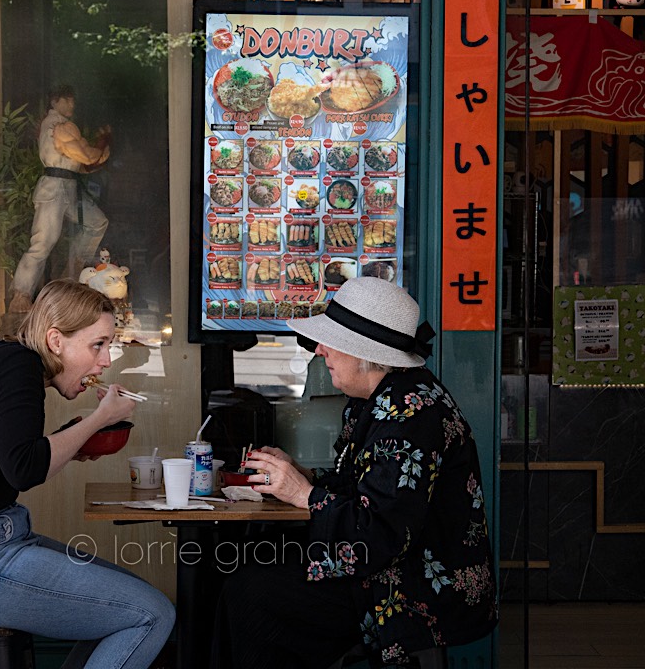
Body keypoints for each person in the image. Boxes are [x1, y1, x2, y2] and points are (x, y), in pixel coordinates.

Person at [213, 277, 497, 667]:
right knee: (250, 573)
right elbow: (359, 485)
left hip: (414, 586)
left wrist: (303, 494)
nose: (320, 350)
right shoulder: (372, 399)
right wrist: (301, 476)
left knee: (251, 593)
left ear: (365, 354)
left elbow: (382, 533)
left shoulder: (409, 414)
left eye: (331, 341)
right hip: (381, 568)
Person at [0, 279, 174, 669]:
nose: (106, 361)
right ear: (56, 341)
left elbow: (14, 460)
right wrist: (98, 419)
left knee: (134, 600)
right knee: (152, 613)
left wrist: (72, 440)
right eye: (97, 344)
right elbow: (25, 470)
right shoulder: (19, 364)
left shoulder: (9, 361)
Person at [8, 85, 111, 315]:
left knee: (96, 222)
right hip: (54, 187)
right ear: (55, 102)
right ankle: (21, 295)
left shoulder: (61, 126)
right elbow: (85, 156)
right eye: (68, 100)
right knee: (42, 242)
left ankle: (70, 275)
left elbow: (81, 164)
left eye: (73, 100)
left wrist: (98, 153)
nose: (72, 105)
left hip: (68, 185)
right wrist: (101, 146)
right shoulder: (58, 126)